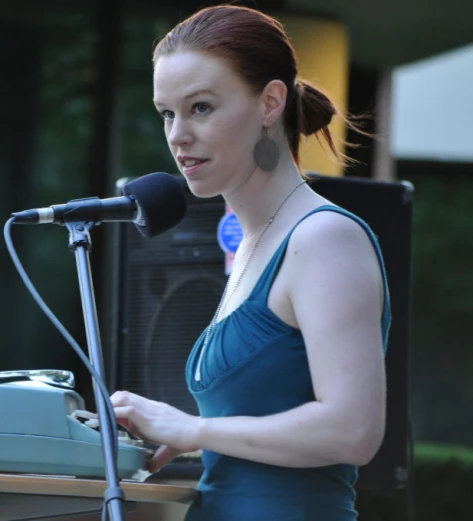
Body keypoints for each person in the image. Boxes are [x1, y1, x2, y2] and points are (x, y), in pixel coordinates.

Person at [110, 5, 391, 520]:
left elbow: (354, 431)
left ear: (269, 103)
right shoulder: (256, 242)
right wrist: (173, 437)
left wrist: (191, 429)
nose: (176, 135)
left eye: (200, 108)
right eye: (167, 113)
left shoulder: (325, 238)